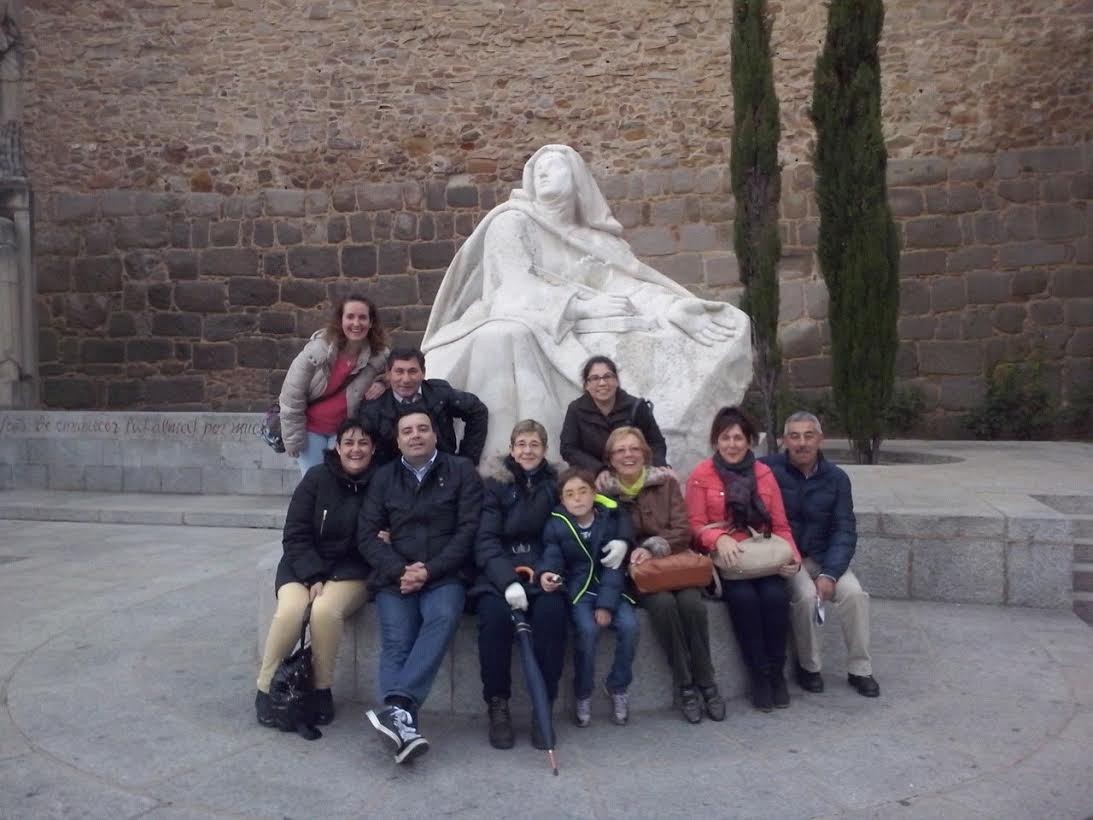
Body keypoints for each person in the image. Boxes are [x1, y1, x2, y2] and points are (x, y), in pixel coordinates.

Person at [421, 143, 752, 468]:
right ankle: (503, 462)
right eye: (538, 169)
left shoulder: (597, 242)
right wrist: (581, 308)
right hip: (516, 317)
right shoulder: (511, 222)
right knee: (504, 335)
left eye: (555, 167)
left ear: (577, 179)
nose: (544, 174)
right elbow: (512, 286)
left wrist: (670, 308)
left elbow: (626, 285)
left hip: (574, 328)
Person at [358, 409, 484, 764]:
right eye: (407, 431)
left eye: (422, 429)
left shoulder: (460, 472)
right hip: (394, 577)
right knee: (397, 641)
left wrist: (429, 571)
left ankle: (396, 709)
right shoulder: (383, 479)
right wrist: (400, 569)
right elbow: (366, 534)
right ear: (397, 440)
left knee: (442, 616)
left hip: (444, 576)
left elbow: (468, 531)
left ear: (435, 436)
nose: (415, 435)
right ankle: (403, 729)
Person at [255, 418, 379, 727]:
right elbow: (295, 533)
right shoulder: (315, 478)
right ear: (337, 447)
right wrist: (313, 575)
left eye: (363, 443)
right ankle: (265, 688)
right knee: (290, 612)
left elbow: (383, 533)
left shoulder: (381, 484)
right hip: (303, 564)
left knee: (325, 611)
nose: (355, 449)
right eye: (348, 442)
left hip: (352, 570)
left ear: (373, 449)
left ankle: (321, 689)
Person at [600, 426, 725, 724]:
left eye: (634, 449)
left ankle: (707, 681)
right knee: (664, 606)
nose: (628, 455)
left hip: (674, 564)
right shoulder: (604, 493)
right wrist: (632, 550)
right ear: (610, 458)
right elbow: (604, 536)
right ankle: (685, 685)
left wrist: (655, 547)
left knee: (692, 605)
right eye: (620, 450)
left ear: (645, 453)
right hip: (636, 573)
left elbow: (683, 529)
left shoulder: (665, 484)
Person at [685, 406, 801, 712]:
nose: (732, 444)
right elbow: (694, 526)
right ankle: (758, 676)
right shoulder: (701, 475)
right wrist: (718, 538)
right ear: (716, 441)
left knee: (775, 598)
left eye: (738, 438)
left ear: (749, 441)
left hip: (762, 554)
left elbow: (780, 525)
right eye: (725, 438)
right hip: (729, 562)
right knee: (745, 601)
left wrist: (794, 558)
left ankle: (777, 672)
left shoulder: (764, 474)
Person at [761, 411, 880, 698]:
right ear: (783, 441)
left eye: (808, 435)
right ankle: (809, 667)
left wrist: (830, 572)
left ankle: (860, 669)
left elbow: (845, 529)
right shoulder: (767, 470)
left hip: (827, 557)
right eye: (795, 436)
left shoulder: (837, 478)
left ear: (820, 439)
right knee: (805, 597)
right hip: (790, 557)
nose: (802, 443)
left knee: (854, 595)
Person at [471, 419, 567, 750]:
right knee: (494, 619)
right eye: (521, 444)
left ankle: (545, 704)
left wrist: (547, 570)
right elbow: (485, 538)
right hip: (500, 572)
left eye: (534, 444)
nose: (527, 450)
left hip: (542, 570)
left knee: (552, 614)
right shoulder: (494, 485)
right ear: (511, 448)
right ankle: (498, 705)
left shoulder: (556, 484)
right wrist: (507, 580)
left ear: (544, 449)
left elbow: (560, 533)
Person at [539, 468, 638, 727]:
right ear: (562, 499)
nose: (578, 499)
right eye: (570, 494)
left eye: (583, 491)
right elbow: (552, 554)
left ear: (594, 494)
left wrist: (606, 605)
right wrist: (548, 573)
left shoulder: (609, 519)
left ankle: (618, 686)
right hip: (579, 590)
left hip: (612, 588)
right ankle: (582, 692)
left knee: (630, 627)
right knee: (587, 631)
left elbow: (614, 567)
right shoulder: (557, 523)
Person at [279, 295, 388, 476]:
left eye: (362, 317)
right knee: (315, 483)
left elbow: (397, 376)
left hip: (345, 432)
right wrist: (292, 438)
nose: (356, 323)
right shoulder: (316, 351)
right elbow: (292, 396)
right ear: (341, 320)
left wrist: (383, 383)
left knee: (341, 483)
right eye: (350, 317)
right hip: (311, 431)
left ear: (371, 323)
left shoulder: (379, 355)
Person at [358, 347, 489, 467]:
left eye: (412, 371)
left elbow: (477, 410)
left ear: (423, 372)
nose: (406, 379)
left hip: (444, 472)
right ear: (388, 373)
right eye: (399, 371)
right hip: (397, 480)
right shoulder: (373, 409)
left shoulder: (439, 393)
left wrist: (468, 460)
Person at [559, 355, 669, 487]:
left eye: (607, 376)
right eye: (595, 378)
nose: (602, 383)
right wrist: (598, 469)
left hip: (636, 479)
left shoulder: (636, 406)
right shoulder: (576, 410)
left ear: (616, 381)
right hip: (596, 481)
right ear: (587, 385)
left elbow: (656, 442)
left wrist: (658, 464)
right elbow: (568, 448)